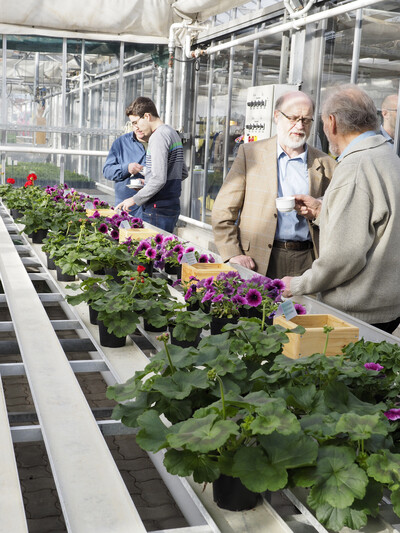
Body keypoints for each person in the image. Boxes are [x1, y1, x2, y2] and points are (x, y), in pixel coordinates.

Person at [282, 85, 400, 334]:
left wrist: (300, 284)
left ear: (332, 122)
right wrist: (322, 211)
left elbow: (343, 256)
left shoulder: (355, 167)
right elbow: (379, 220)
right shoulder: (389, 157)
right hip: (389, 305)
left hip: (356, 311)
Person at [211, 91, 337, 278]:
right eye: (293, 118)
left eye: (306, 120)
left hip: (308, 261)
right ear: (277, 117)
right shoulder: (250, 154)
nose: (299, 126)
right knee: (258, 307)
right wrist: (233, 253)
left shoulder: (326, 164)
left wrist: (320, 207)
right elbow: (223, 210)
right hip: (258, 259)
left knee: (304, 307)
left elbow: (338, 212)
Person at [116, 97, 188, 233]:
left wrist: (134, 199)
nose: (135, 127)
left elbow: (159, 179)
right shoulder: (172, 133)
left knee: (153, 251)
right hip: (171, 205)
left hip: (157, 207)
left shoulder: (158, 137)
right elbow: (182, 172)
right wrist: (148, 181)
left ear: (147, 116)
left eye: (136, 122)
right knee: (163, 249)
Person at [103, 126, 146, 218]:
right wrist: (127, 168)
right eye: (134, 123)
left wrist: (149, 182)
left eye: (139, 122)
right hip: (127, 207)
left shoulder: (159, 141)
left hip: (154, 209)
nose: (138, 127)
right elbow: (107, 171)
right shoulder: (122, 142)